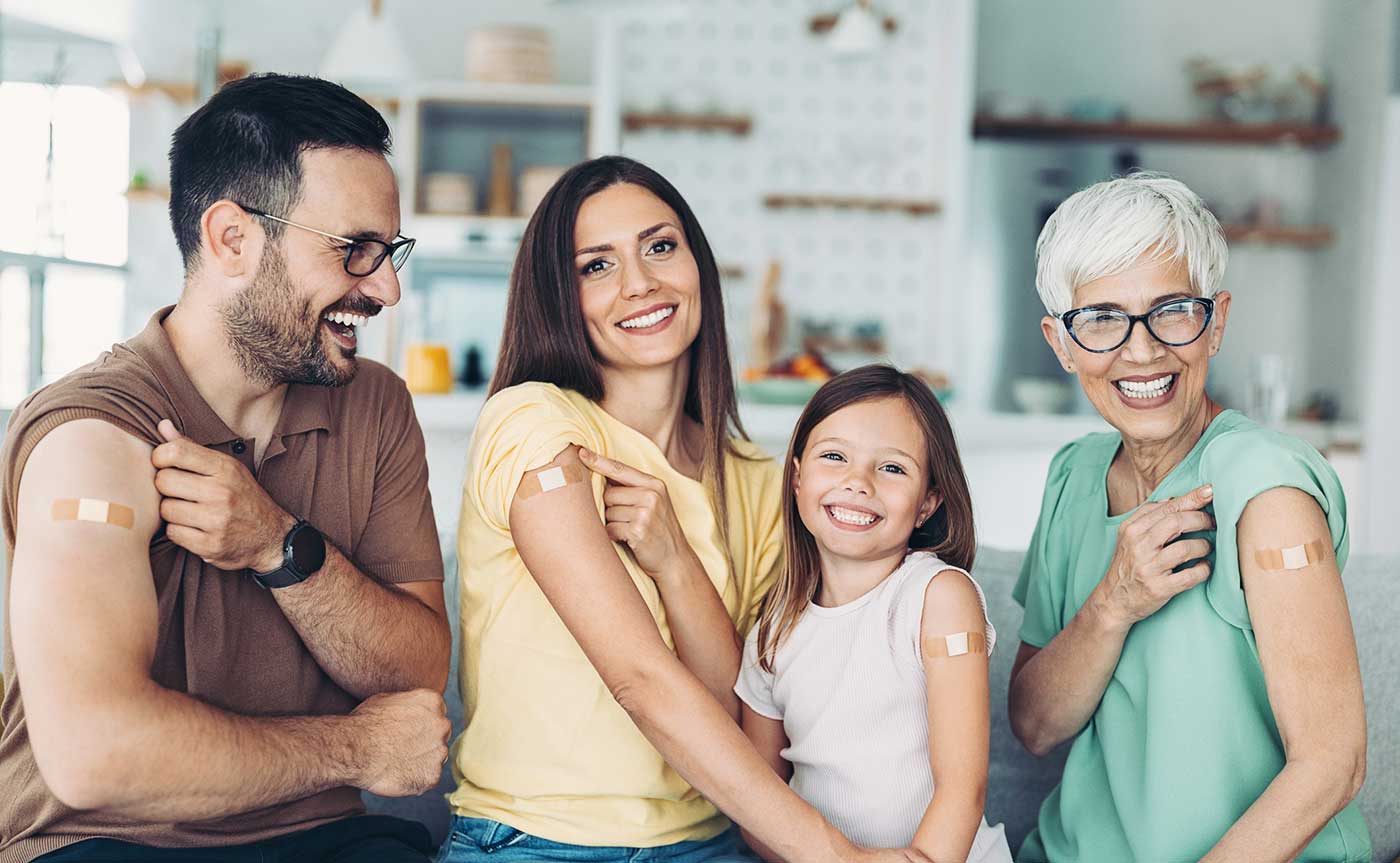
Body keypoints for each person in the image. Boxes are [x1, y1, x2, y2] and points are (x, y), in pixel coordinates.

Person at [0, 73, 453, 863]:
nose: (385, 287)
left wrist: (279, 545)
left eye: (389, 253)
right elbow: (93, 754)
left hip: (325, 837)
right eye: (356, 251)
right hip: (105, 840)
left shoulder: (374, 405)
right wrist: (352, 750)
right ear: (232, 239)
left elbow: (417, 674)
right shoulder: (91, 439)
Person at [443, 156, 923, 863]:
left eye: (660, 247)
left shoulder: (760, 483)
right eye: (596, 266)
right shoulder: (537, 427)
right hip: (535, 841)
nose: (640, 283)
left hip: (706, 844)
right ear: (558, 297)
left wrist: (675, 560)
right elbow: (639, 679)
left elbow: (737, 717)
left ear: (698, 265)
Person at [1009, 172, 1370, 861]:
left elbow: (1332, 763)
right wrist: (1112, 603)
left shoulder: (1270, 494)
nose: (1141, 349)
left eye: (1171, 309)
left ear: (1217, 321)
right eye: (1103, 318)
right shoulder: (1073, 476)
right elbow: (1035, 724)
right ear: (1061, 343)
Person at [736, 365, 1013, 863]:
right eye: (835, 457)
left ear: (928, 503)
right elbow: (761, 807)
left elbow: (961, 790)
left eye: (892, 468)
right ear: (797, 477)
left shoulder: (940, 599)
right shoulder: (772, 632)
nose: (857, 482)